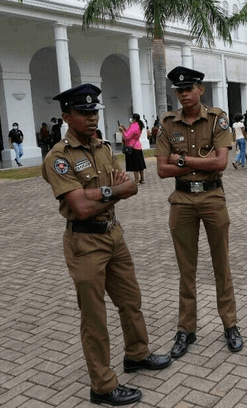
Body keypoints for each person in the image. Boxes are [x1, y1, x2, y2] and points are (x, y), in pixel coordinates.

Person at [41, 84, 172, 406]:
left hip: (114, 235)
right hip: (84, 241)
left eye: (94, 112)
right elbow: (82, 206)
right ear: (67, 116)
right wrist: (111, 193)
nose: (91, 118)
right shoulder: (59, 157)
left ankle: (137, 355)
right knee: (95, 316)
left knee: (131, 299)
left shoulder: (102, 148)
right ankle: (101, 386)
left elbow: (131, 185)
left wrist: (100, 193)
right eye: (84, 113)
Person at [156, 66, 243, 357]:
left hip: (212, 197)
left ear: (200, 90)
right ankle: (186, 329)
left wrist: (180, 160)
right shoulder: (167, 123)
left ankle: (230, 324)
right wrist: (193, 162)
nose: (184, 94)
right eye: (179, 90)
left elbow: (220, 163)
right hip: (181, 201)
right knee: (186, 269)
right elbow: (161, 170)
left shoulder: (217, 119)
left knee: (222, 265)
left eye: (189, 89)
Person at [119, 113, 147, 184]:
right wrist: (124, 128)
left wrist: (122, 131)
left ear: (134, 119)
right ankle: (142, 179)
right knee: (140, 165)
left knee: (135, 165)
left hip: (132, 147)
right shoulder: (138, 125)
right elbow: (129, 132)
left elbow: (127, 136)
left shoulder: (134, 126)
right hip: (138, 146)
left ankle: (136, 180)